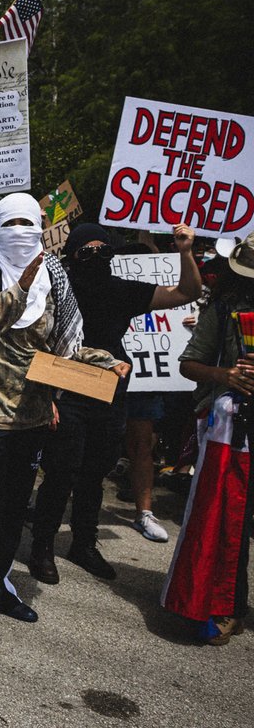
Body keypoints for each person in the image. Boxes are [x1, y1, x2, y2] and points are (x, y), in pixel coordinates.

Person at [0, 193, 128, 649]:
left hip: (31, 416)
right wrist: (18, 290)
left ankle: (0, 587)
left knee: (12, 511)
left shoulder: (54, 275)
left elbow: (63, 347)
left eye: (28, 223)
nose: (20, 232)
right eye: (10, 223)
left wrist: (103, 361)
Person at [29, 224, 200, 583]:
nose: (95, 258)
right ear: (71, 256)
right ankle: (42, 547)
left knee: (95, 471)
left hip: (110, 388)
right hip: (65, 386)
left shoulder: (123, 290)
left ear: (113, 255)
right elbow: (36, 341)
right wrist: (46, 398)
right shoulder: (57, 289)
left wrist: (184, 251)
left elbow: (187, 291)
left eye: (103, 251)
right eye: (85, 252)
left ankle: (84, 543)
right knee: (61, 471)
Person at [167, 230, 254, 645]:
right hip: (234, 432)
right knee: (227, 520)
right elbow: (190, 364)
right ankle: (223, 603)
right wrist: (227, 376)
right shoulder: (223, 309)